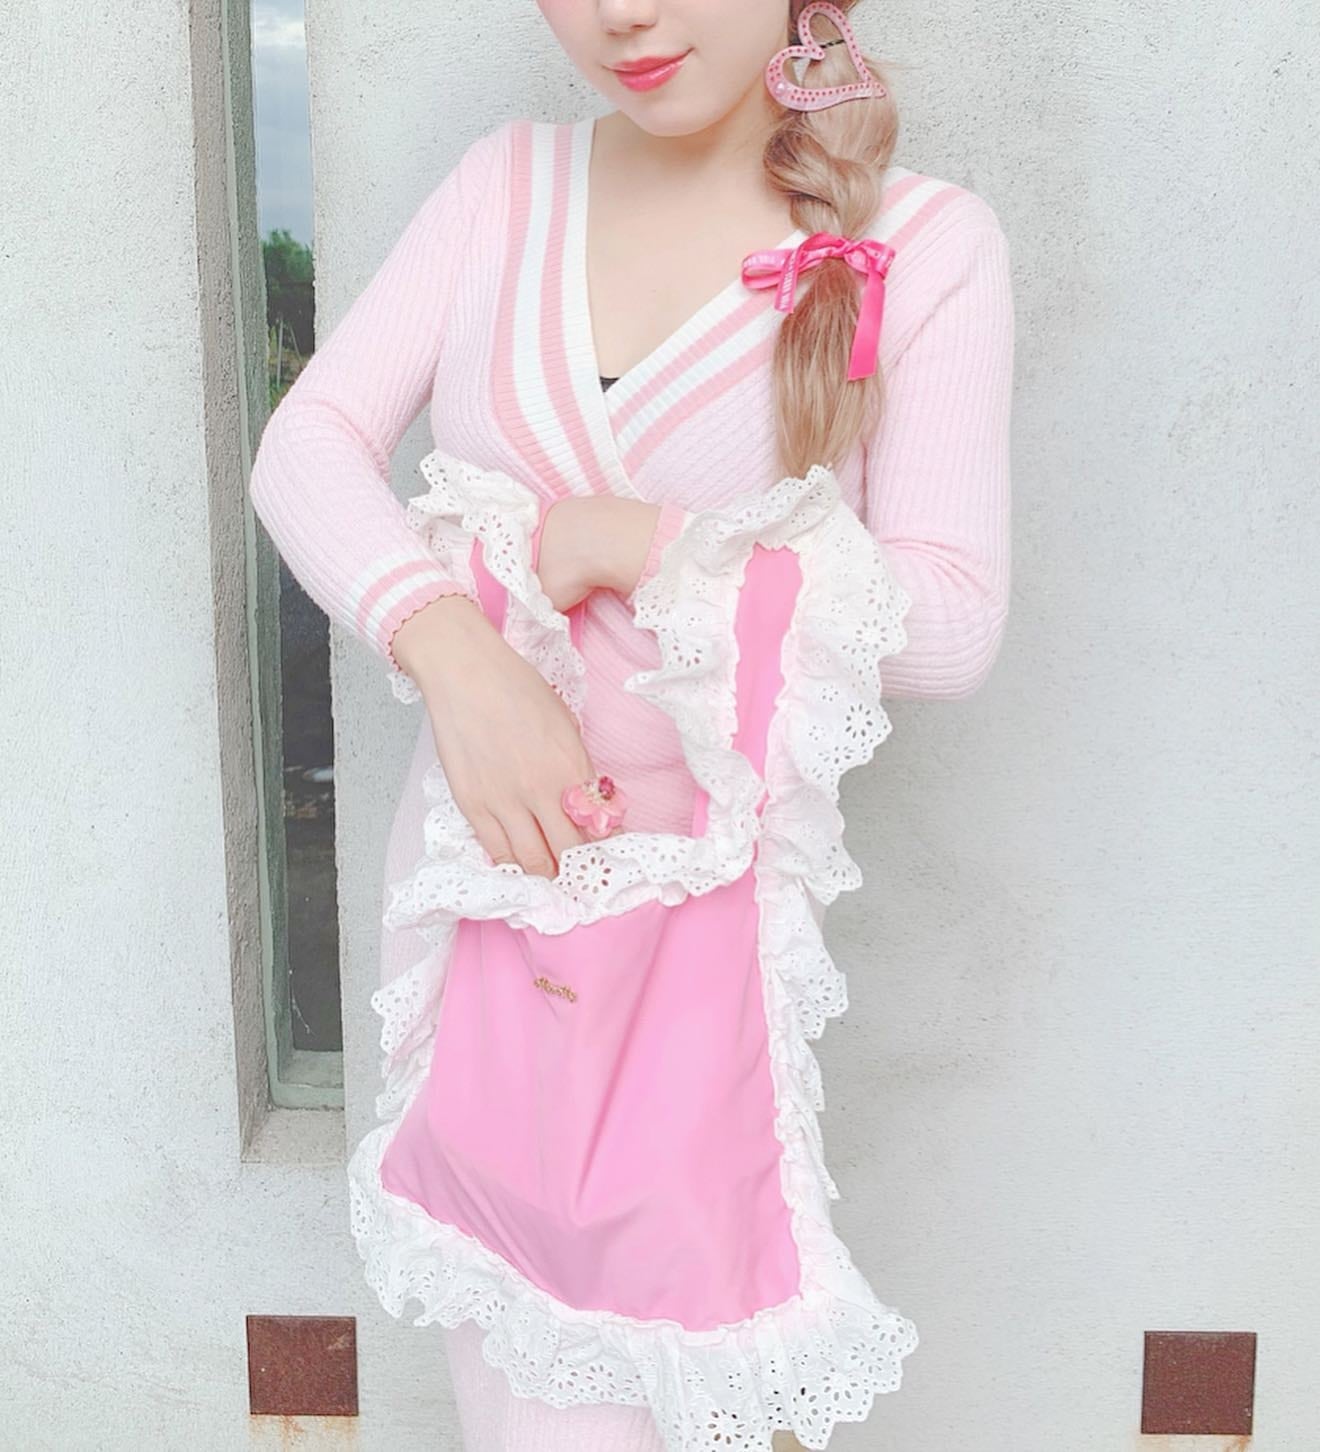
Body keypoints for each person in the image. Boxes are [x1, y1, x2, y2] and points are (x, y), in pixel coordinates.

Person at [248, 2, 1014, 1447]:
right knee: (522, 1386)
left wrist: (641, 546)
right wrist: (454, 654)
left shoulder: (925, 243)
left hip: (701, 945)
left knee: (676, 1371)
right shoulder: (506, 187)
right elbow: (308, 443)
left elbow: (953, 621)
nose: (619, 15)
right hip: (489, 888)